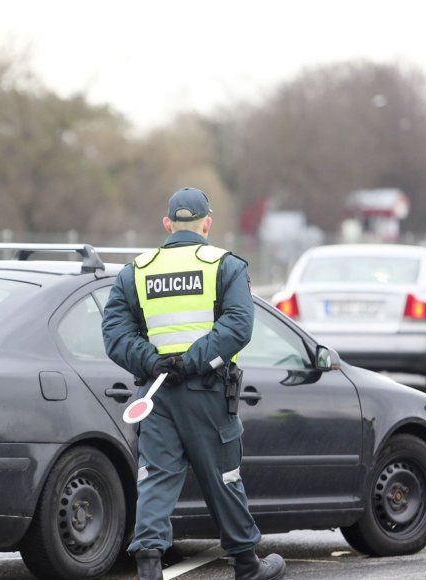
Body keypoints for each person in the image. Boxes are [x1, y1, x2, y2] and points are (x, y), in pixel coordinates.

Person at [101, 187, 286, 580]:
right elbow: (238, 325)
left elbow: (115, 335)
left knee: (155, 478)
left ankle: (149, 569)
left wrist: (154, 361)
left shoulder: (137, 270)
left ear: (167, 224)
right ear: (207, 223)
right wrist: (192, 362)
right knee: (224, 477)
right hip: (208, 392)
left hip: (156, 395)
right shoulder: (225, 265)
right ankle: (248, 566)